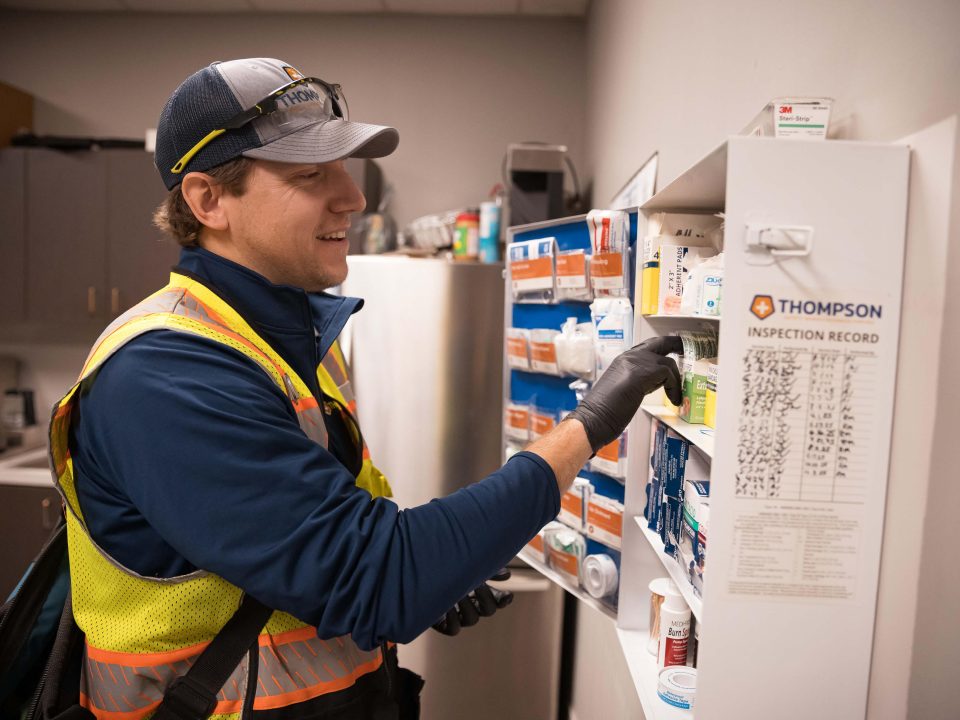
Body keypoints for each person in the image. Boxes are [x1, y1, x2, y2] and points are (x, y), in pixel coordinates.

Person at [48, 58, 683, 719]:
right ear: (210, 201)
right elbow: (380, 577)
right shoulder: (168, 375)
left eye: (344, 169)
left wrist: (440, 569)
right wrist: (585, 427)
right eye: (310, 174)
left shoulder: (278, 341)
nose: (353, 197)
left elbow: (337, 546)